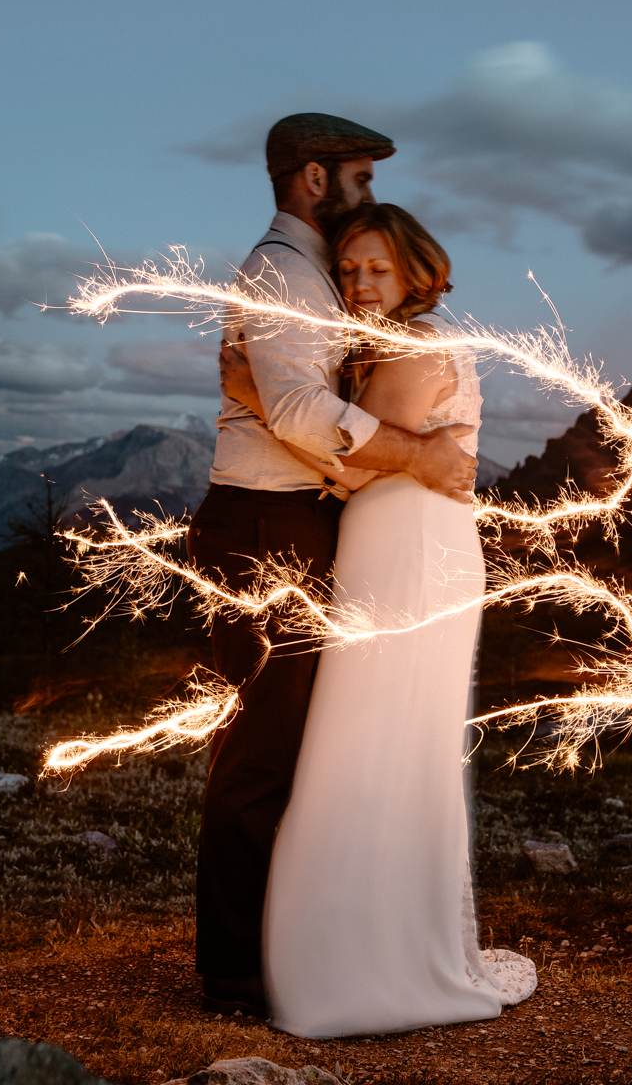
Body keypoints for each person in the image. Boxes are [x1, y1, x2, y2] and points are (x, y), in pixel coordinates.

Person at [222, 203, 537, 1037]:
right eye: (351, 268)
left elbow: (355, 464)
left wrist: (260, 393)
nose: (361, 283)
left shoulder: (411, 346)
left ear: (415, 273)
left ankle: (361, 960)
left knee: (365, 741)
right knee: (383, 743)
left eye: (378, 270)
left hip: (404, 554)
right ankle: (376, 940)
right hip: (404, 549)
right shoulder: (405, 341)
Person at [190, 115, 479, 1020]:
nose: (369, 190)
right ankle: (236, 968)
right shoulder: (283, 273)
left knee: (304, 738)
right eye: (357, 174)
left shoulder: (316, 279)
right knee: (267, 745)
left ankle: (297, 944)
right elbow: (303, 412)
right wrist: (409, 453)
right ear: (313, 178)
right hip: (265, 523)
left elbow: (292, 404)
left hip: (304, 523)